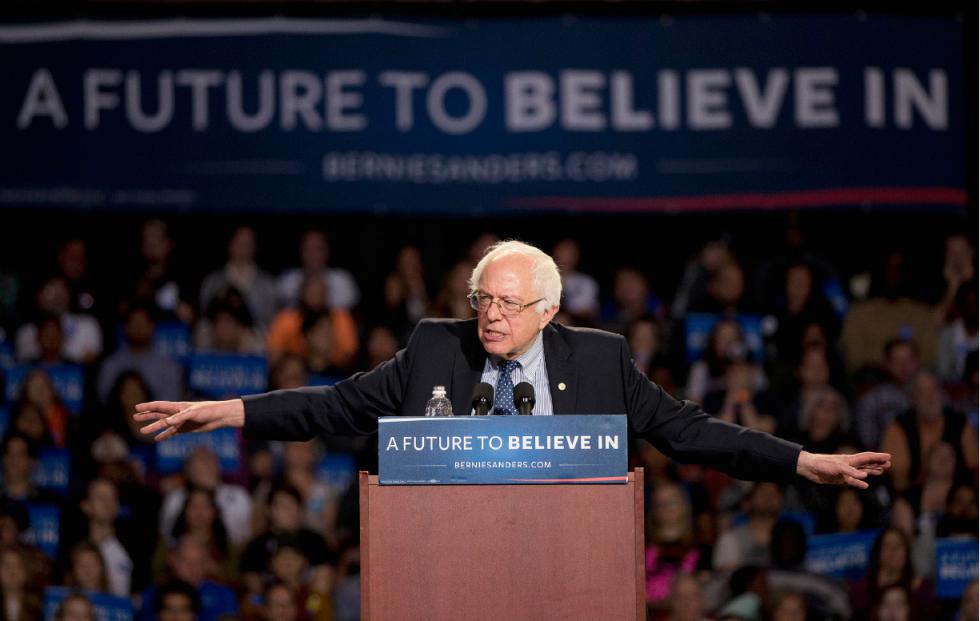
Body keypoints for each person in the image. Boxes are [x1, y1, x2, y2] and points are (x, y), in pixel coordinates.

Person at [136, 241, 891, 491]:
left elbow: (688, 431)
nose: (489, 314)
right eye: (480, 298)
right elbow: (332, 407)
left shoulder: (601, 360)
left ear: (547, 312)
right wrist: (223, 410)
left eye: (505, 302)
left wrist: (801, 463)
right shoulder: (436, 346)